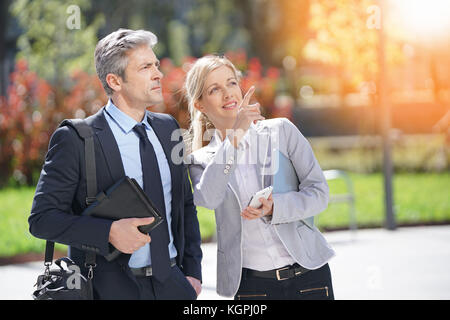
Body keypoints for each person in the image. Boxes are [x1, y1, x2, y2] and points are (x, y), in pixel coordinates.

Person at [29, 29, 202, 300]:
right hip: (109, 290)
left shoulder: (169, 129)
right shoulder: (76, 139)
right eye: (146, 67)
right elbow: (42, 219)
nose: (158, 74)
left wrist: (192, 272)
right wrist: (108, 232)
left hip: (174, 285)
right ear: (115, 81)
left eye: (156, 65)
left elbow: (185, 204)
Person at [184, 55, 335, 299]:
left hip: (309, 276)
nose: (227, 94)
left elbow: (319, 194)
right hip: (252, 288)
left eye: (231, 83)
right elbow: (208, 198)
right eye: (214, 89)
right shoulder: (200, 160)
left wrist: (276, 207)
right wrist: (234, 138)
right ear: (200, 104)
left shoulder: (282, 131)